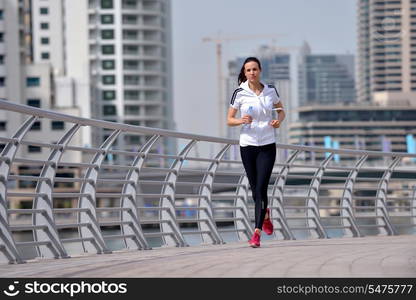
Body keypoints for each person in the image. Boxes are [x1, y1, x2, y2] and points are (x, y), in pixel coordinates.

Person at [227, 57, 285, 248]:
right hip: (248, 145)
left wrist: (278, 120)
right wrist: (241, 120)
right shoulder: (239, 93)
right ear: (244, 73)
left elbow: (281, 110)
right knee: (255, 190)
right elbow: (229, 119)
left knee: (261, 187)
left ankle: (256, 233)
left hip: (268, 145)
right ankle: (266, 215)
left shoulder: (271, 90)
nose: (252, 73)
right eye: (248, 70)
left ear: (260, 70)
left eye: (254, 69)